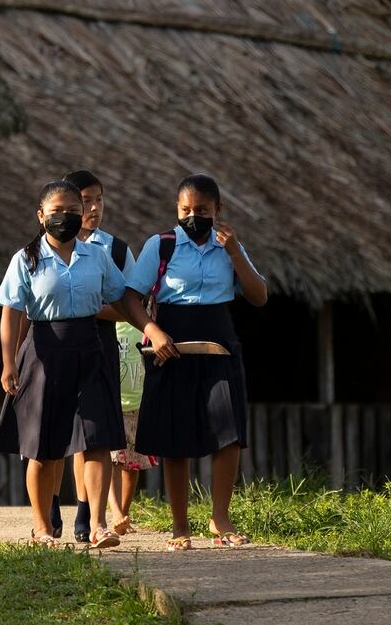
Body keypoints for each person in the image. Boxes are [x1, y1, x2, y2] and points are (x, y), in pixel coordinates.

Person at [0, 180, 175, 547]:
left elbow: (123, 298)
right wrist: (8, 363)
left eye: (73, 212)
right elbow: (11, 312)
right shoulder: (25, 259)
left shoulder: (97, 256)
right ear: (41, 216)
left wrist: (151, 329)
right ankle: (42, 528)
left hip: (90, 351)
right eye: (57, 211)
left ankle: (97, 525)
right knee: (42, 446)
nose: (66, 218)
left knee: (95, 439)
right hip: (44, 352)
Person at [123, 174, 267, 551]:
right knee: (175, 436)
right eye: (185, 209)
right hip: (170, 344)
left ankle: (220, 518)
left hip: (219, 341)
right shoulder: (162, 245)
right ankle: (180, 527)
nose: (192, 216)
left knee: (229, 431)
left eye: (201, 210)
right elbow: (131, 297)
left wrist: (235, 252)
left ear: (217, 210)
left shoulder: (229, 246)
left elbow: (259, 296)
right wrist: (153, 331)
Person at [53, 169, 151, 542]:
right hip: (59, 345)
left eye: (98, 200)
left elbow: (130, 303)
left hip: (101, 344)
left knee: (95, 434)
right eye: (84, 202)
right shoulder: (46, 247)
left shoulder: (117, 250)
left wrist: (84, 305)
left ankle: (93, 518)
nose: (93, 209)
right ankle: (66, 509)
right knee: (69, 434)